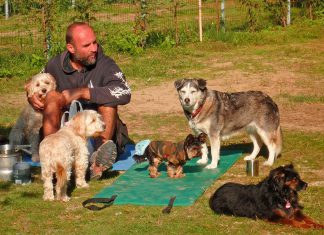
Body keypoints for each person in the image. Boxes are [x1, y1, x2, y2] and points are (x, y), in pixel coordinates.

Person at [28, 22, 131, 179]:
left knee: (108, 103)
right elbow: (36, 82)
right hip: (66, 134)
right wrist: (32, 96)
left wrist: (82, 92)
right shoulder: (54, 65)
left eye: (94, 42)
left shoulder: (106, 64)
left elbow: (125, 92)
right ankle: (54, 161)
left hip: (98, 132)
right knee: (52, 96)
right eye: (87, 45)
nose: (94, 49)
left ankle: (98, 161)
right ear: (71, 48)